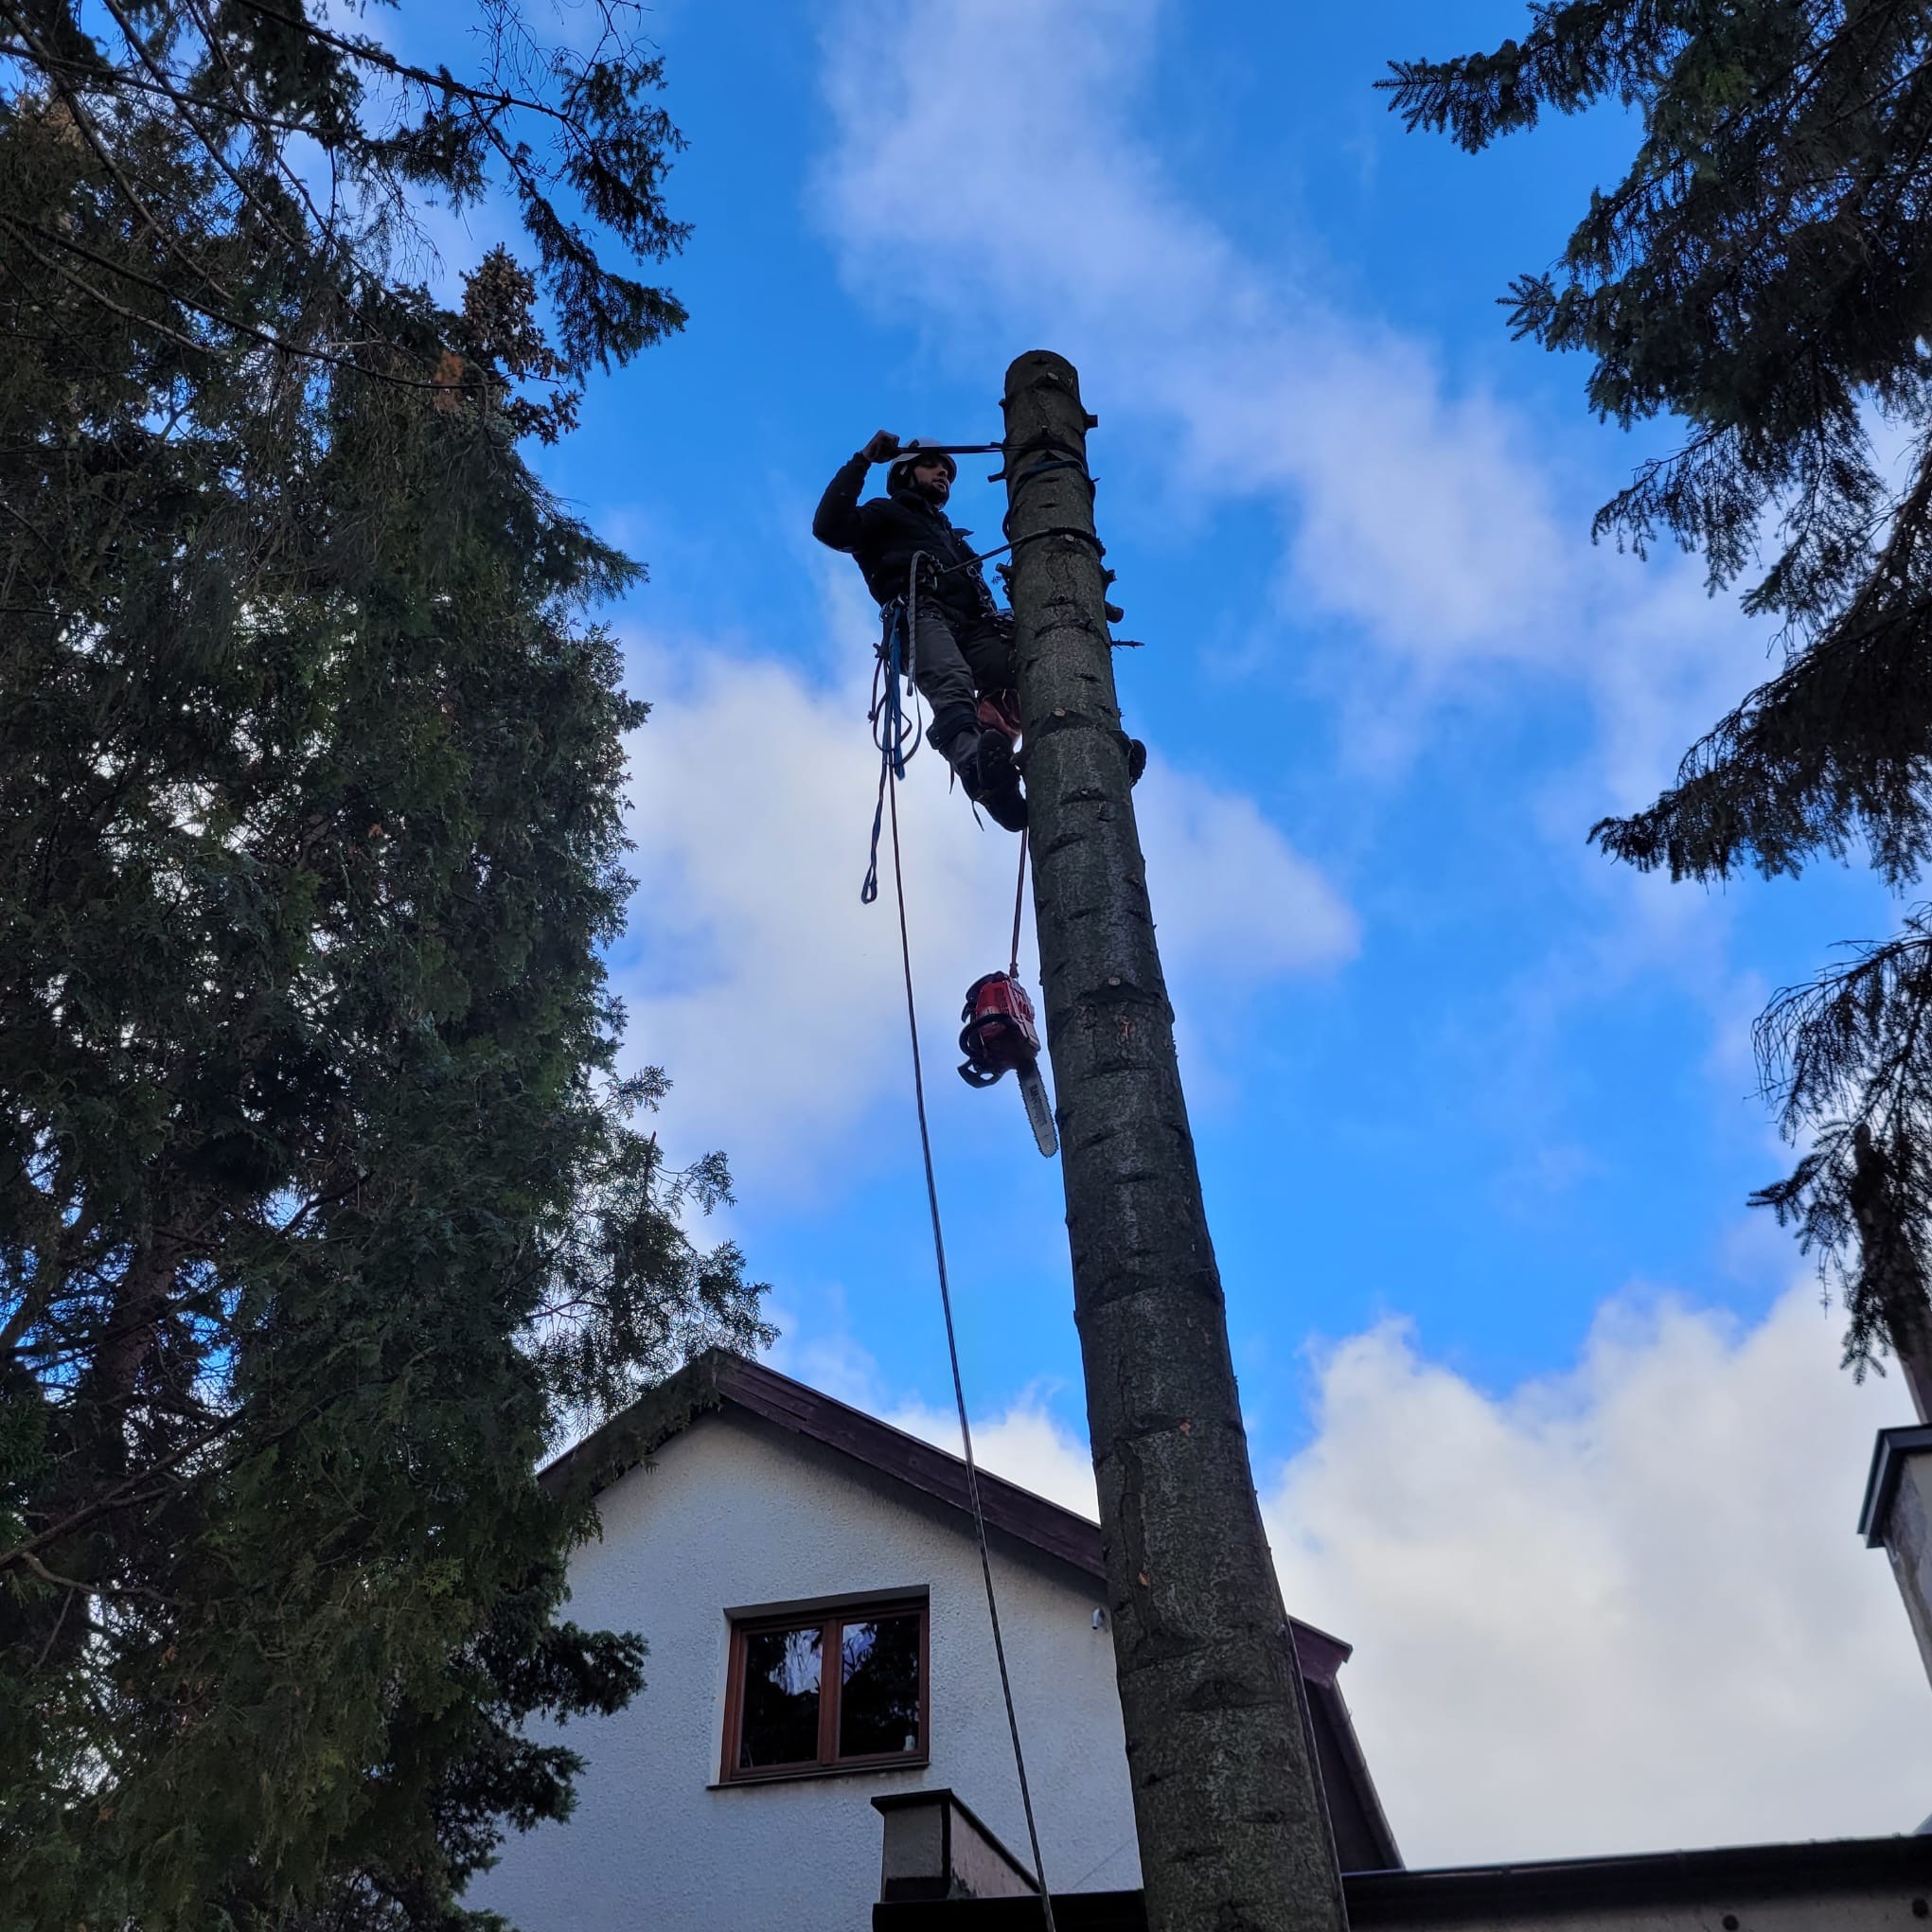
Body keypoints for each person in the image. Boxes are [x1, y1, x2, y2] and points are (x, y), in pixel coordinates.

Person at [813, 431, 1028, 832]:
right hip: (919, 612)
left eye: (947, 469)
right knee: (951, 682)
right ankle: (978, 772)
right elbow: (830, 527)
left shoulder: (951, 537)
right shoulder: (885, 513)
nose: (943, 473)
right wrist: (862, 460)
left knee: (1029, 666)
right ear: (904, 472)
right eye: (933, 464)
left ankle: (1051, 751)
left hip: (973, 625)